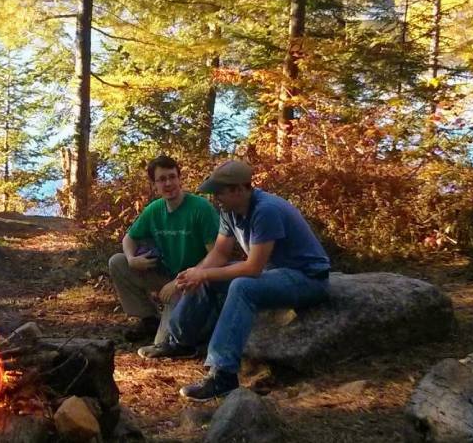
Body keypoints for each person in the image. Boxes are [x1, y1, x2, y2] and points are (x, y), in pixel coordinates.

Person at [138, 159, 331, 402]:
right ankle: (180, 342)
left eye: (220, 192)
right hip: (275, 274)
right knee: (205, 277)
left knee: (242, 286)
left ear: (239, 190)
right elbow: (219, 254)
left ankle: (223, 374)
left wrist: (204, 273)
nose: (216, 198)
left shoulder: (266, 210)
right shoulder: (230, 211)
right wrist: (195, 273)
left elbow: (253, 268)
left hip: (307, 278)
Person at [108, 155, 220, 344]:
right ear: (154, 185)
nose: (168, 183)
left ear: (179, 178)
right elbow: (129, 238)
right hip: (167, 275)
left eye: (172, 177)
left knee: (164, 343)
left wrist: (179, 282)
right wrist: (131, 258)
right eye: (161, 179)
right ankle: (149, 319)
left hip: (195, 282)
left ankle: (199, 327)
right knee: (118, 262)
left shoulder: (201, 208)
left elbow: (216, 255)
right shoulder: (155, 209)